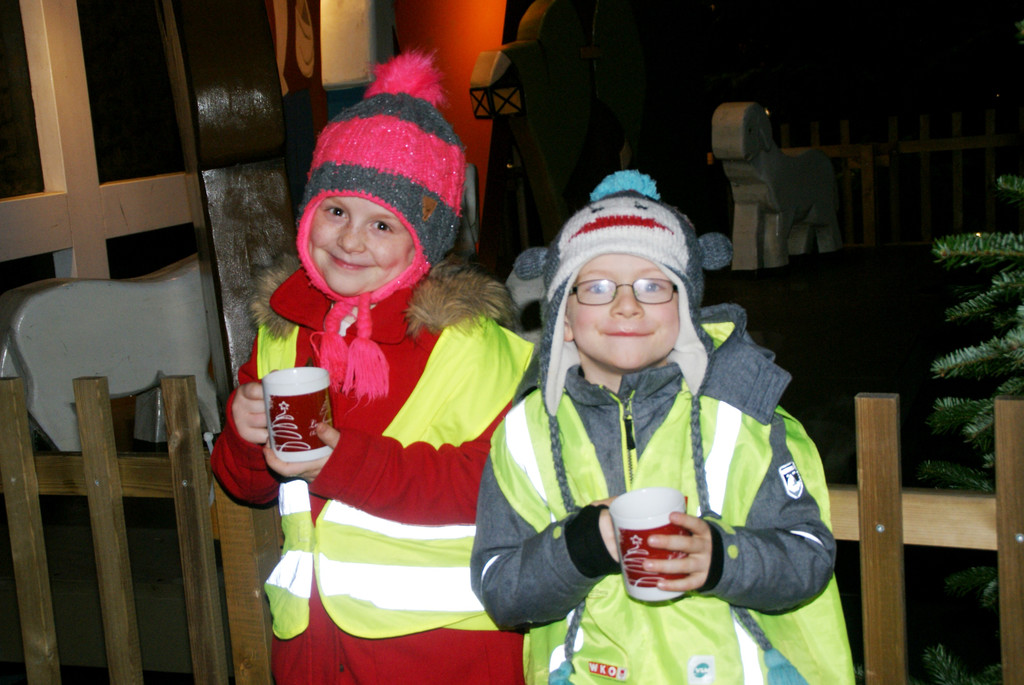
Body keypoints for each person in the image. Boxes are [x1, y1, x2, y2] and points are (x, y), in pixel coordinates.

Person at [212, 51, 533, 684]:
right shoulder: (283, 331)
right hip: (314, 651)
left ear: (426, 243)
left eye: (382, 223)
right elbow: (245, 486)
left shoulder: (469, 346)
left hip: (447, 656)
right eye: (336, 211)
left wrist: (341, 461)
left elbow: (501, 489)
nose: (351, 240)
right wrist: (245, 436)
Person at [470, 170, 855, 684]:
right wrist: (581, 547)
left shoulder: (742, 416)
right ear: (562, 315)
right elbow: (500, 590)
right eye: (597, 286)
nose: (627, 304)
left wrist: (722, 558)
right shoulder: (523, 436)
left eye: (654, 285)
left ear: (685, 310)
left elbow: (808, 555)